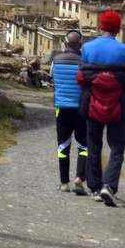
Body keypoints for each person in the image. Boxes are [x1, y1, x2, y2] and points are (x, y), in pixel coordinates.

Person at [77, 10, 125, 207]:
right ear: (118, 30)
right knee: (117, 147)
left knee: (93, 145)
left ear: (100, 27)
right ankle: (108, 186)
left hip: (92, 105)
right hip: (117, 107)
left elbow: (82, 79)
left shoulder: (88, 48)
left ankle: (94, 187)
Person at [49, 31, 88, 194]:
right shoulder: (85, 62)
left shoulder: (56, 61)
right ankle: (79, 178)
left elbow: (52, 78)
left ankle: (64, 183)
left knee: (63, 146)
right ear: (80, 44)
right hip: (81, 110)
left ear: (65, 43)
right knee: (84, 146)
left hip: (62, 109)